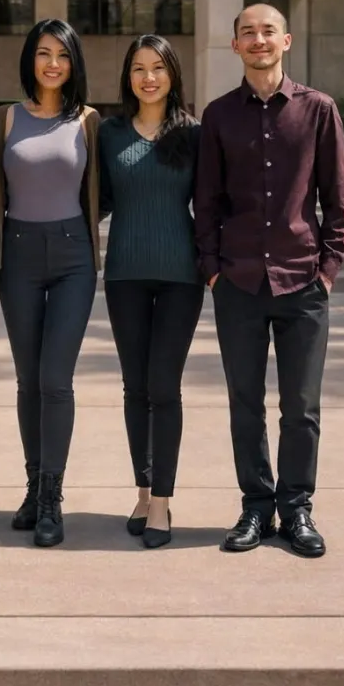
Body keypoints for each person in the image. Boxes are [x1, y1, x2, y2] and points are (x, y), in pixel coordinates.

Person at [195, 3, 344, 558]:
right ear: (234, 46)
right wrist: (211, 269)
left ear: (285, 40)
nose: (258, 40)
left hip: (302, 282)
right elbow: (206, 200)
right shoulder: (217, 116)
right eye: (247, 33)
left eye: (267, 31)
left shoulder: (319, 110)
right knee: (245, 404)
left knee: (301, 407)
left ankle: (298, 509)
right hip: (237, 281)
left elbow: (337, 199)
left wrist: (327, 270)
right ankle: (256, 508)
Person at [0, 19, 100, 548]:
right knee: (27, 380)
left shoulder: (88, 120)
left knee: (56, 379)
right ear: (30, 60)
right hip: (17, 256)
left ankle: (53, 497)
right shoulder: (4, 118)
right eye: (43, 53)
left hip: (73, 257)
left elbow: (106, 190)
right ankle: (33, 487)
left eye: (62, 54)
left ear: (74, 62)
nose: (52, 63)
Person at [99, 35, 204, 550]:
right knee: (134, 388)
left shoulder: (194, 133)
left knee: (164, 387)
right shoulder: (109, 133)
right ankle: (142, 491)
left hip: (182, 276)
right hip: (124, 275)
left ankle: (162, 499)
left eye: (158, 68)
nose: (148, 78)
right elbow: (90, 200)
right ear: (128, 76)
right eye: (139, 68)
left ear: (172, 75)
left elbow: (211, 205)